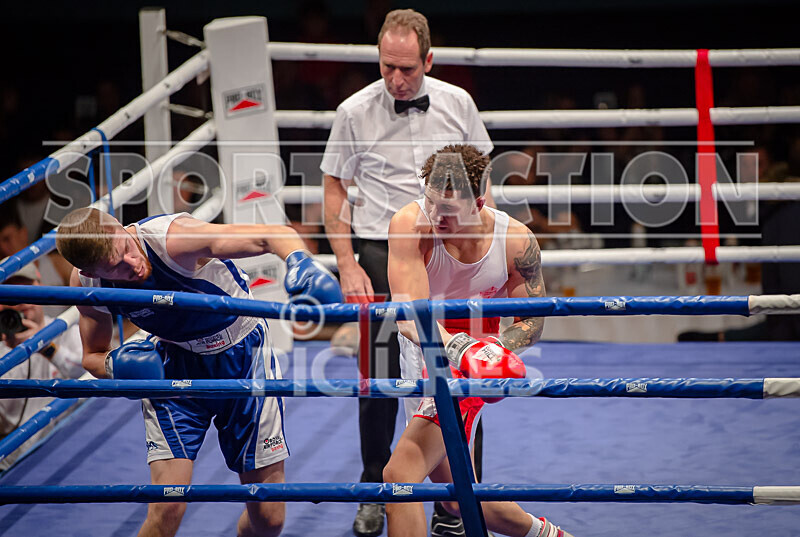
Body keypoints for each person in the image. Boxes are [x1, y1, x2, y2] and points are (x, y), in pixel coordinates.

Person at [55, 207, 342, 537]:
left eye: (127, 250)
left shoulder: (174, 240)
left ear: (121, 226)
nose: (131, 266)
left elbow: (270, 234)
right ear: (89, 270)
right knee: (167, 507)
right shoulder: (87, 282)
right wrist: (116, 365)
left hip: (243, 357)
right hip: (170, 365)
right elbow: (92, 355)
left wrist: (299, 260)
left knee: (268, 518)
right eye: (116, 267)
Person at [320, 9, 493, 536]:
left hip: (445, 251)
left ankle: (460, 497)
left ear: (429, 60)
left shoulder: (458, 103)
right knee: (378, 373)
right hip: (378, 251)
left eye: (407, 70)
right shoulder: (354, 110)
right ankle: (376, 486)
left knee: (463, 370)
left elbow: (483, 177)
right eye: (387, 67)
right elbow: (333, 189)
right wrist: (346, 263)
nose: (396, 79)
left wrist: (480, 252)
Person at [383, 145, 572, 537]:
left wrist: (493, 353)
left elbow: (531, 320)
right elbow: (408, 318)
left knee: (400, 475)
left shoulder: (515, 242)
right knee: (455, 494)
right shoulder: (410, 225)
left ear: (479, 202)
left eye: (448, 210)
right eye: (431, 202)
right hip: (423, 357)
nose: (436, 216)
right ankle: (549, 535)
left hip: (466, 375)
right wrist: (462, 347)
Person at [0, 262, 85, 470]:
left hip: (69, 446)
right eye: (11, 296)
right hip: (12, 462)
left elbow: (92, 378)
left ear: (39, 286)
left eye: (26, 292)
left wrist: (45, 346)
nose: (20, 303)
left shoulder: (66, 328)